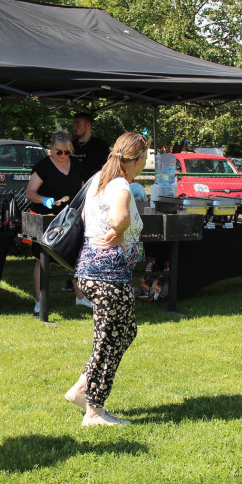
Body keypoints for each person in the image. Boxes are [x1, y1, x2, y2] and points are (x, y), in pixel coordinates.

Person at [64, 132, 148, 426]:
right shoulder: (120, 184)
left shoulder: (100, 178)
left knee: (125, 332)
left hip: (95, 271)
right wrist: (120, 231)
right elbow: (119, 218)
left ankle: (82, 389)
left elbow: (88, 218)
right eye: (145, 158)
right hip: (107, 276)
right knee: (109, 340)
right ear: (137, 159)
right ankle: (94, 410)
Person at [25, 131, 88, 310]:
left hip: (70, 218)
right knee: (43, 259)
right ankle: (40, 300)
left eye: (66, 152)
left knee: (75, 257)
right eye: (58, 152)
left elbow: (84, 190)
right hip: (47, 218)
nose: (62, 156)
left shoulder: (77, 166)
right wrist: (44, 199)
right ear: (51, 149)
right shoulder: (43, 166)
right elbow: (30, 193)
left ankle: (80, 296)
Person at [71, 111, 111, 181]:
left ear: (88, 125)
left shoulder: (100, 145)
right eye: (73, 125)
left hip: (93, 187)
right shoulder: (70, 145)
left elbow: (107, 168)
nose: (74, 128)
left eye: (77, 124)